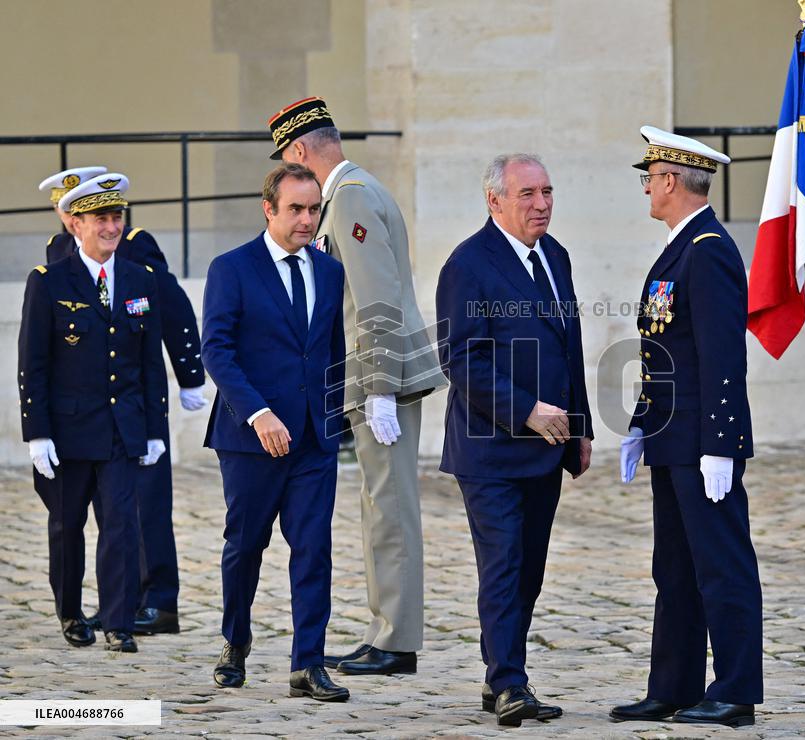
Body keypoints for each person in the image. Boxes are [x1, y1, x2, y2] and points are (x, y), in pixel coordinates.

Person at [268, 96, 446, 676]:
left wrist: (378, 388)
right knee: (380, 504)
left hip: (381, 378)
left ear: (299, 151)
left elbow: (374, 299)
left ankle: (396, 638)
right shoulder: (357, 190)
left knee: (389, 506)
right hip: (378, 377)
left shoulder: (348, 198)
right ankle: (386, 630)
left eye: (289, 160)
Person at [435, 153, 594, 727]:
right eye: (527, 193)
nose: (542, 204)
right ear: (494, 201)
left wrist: (580, 427)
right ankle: (509, 683)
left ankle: (500, 670)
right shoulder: (468, 265)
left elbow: (570, 347)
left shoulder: (556, 257)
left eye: (548, 191)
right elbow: (460, 358)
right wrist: (526, 410)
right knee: (502, 563)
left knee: (529, 568)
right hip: (491, 449)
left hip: (546, 451)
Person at [613, 127, 762, 728]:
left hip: (703, 443)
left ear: (671, 181)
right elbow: (665, 352)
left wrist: (720, 445)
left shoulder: (708, 250)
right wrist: (641, 424)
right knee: (673, 568)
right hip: (672, 439)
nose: (647, 186)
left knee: (721, 566)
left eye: (650, 176)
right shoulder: (681, 246)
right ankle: (673, 685)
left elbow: (722, 355)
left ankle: (735, 690)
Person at [39, 166, 208, 635]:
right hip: (85, 412)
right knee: (102, 513)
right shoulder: (58, 255)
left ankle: (159, 600)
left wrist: (190, 376)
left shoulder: (135, 245)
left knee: (145, 505)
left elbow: (171, 308)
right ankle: (120, 601)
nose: (68, 213)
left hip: (134, 402)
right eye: (63, 205)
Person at [201, 163, 348, 701]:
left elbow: (333, 350)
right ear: (269, 209)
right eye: (296, 210)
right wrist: (259, 413)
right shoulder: (232, 268)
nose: (307, 220)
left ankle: (308, 662)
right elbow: (217, 350)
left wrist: (337, 416)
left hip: (313, 440)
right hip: (249, 439)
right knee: (246, 544)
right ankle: (234, 641)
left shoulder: (329, 271)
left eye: (314, 209)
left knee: (314, 549)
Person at [18, 173, 169, 653]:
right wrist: (37, 433)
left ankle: (118, 621)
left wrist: (155, 430)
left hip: (123, 431)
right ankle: (69, 610)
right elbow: (33, 363)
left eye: (117, 217)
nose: (112, 227)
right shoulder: (48, 282)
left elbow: (148, 362)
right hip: (67, 431)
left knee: (122, 526)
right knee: (67, 527)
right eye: (101, 218)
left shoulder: (139, 278)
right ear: (76, 224)